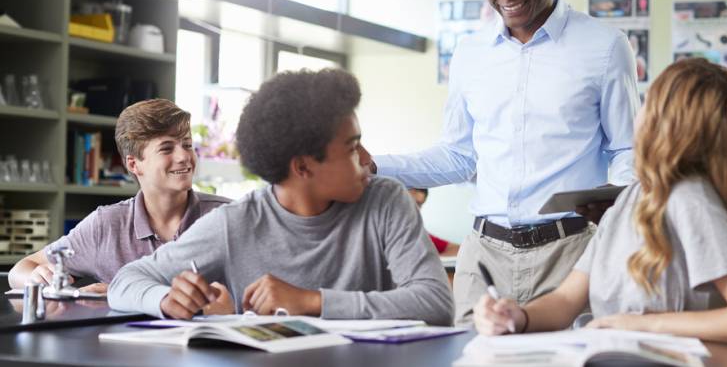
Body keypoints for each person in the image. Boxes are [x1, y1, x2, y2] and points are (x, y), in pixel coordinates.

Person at [372, 0, 640, 322]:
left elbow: (627, 148)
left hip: (569, 253)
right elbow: (459, 157)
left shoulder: (604, 46)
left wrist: (617, 200)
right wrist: (376, 167)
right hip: (483, 256)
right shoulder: (470, 53)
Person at [473, 58, 727, 345]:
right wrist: (518, 316)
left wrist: (639, 325)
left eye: (647, 101)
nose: (638, 111)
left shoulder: (689, 198)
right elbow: (565, 301)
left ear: (668, 125)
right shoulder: (632, 198)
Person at [108, 69, 453, 325]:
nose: (367, 159)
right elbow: (126, 281)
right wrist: (166, 298)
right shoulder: (236, 223)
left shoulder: (385, 200)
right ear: (303, 167)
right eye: (351, 148)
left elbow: (435, 302)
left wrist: (312, 301)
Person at [8, 99, 230, 293]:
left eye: (187, 145)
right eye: (166, 149)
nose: (184, 156)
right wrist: (37, 278)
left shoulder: (227, 217)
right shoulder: (106, 225)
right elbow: (21, 269)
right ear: (134, 164)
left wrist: (120, 293)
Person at [408, 187, 460, 257]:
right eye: (408, 201)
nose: (412, 207)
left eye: (418, 204)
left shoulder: (416, 233)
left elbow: (454, 248)